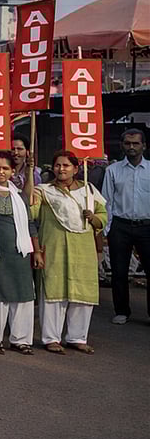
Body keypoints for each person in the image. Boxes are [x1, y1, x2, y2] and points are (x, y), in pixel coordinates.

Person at [33, 151, 106, 354]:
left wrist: (93, 218)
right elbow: (31, 211)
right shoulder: (44, 190)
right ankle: (51, 338)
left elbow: (103, 215)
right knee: (53, 291)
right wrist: (30, 178)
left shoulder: (89, 191)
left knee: (82, 293)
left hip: (83, 249)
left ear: (76, 168)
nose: (61, 169)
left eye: (66, 165)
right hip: (54, 247)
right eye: (57, 165)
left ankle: (77, 337)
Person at [0, 152, 41, 355]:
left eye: (5, 168)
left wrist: (36, 251)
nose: (0, 171)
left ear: (12, 171)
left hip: (19, 254)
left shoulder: (19, 195)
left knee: (23, 295)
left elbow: (30, 225)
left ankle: (21, 339)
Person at [101, 128, 150, 324]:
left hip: (147, 226)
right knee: (119, 271)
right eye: (128, 143)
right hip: (120, 226)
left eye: (135, 143)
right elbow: (107, 201)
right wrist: (107, 230)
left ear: (144, 146)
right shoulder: (113, 170)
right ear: (122, 146)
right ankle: (121, 311)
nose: (131, 147)